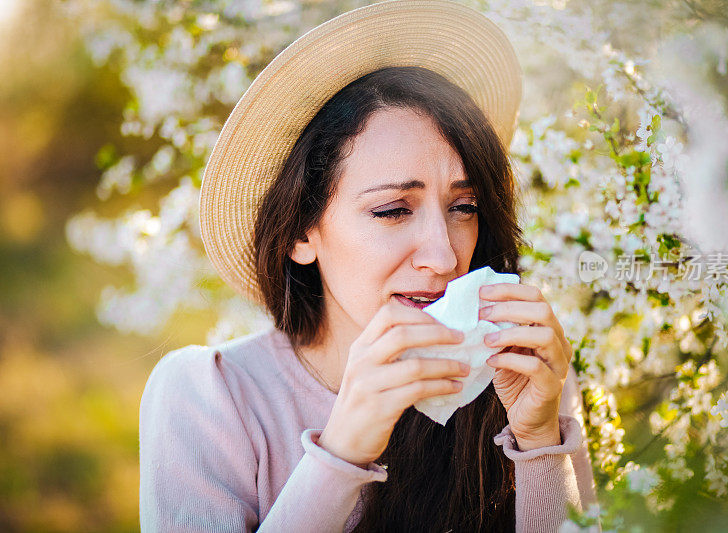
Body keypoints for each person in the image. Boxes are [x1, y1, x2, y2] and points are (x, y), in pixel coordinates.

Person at [139, 1, 597, 532]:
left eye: (463, 208)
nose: (444, 256)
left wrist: (540, 440)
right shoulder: (210, 399)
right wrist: (342, 451)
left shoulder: (521, 371)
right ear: (299, 233)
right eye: (393, 210)